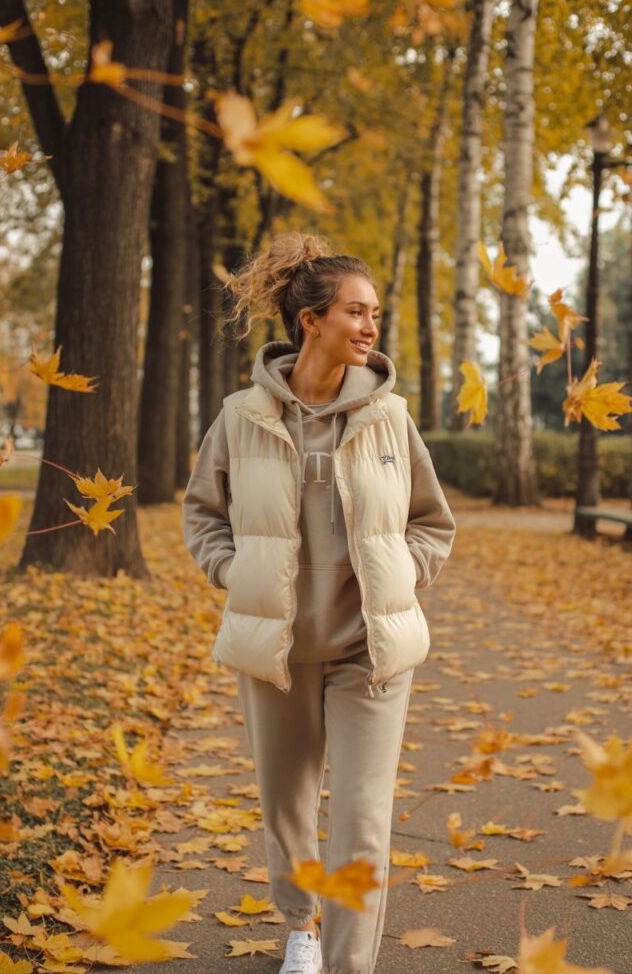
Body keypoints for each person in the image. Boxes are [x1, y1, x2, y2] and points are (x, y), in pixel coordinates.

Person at [182, 231, 456, 974]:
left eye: (374, 315)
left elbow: (432, 521)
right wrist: (231, 572)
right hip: (277, 650)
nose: (370, 327)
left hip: (370, 650)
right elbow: (202, 513)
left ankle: (346, 965)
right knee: (289, 810)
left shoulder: (389, 418)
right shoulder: (242, 416)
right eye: (356, 313)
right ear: (312, 322)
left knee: (363, 819)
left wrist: (403, 570)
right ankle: (301, 924)